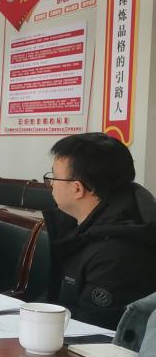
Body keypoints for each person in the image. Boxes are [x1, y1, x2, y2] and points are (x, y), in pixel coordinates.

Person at [42, 132, 156, 330]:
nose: (50, 183)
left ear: (77, 189)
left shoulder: (118, 253)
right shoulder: (78, 223)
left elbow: (91, 330)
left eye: (54, 177)